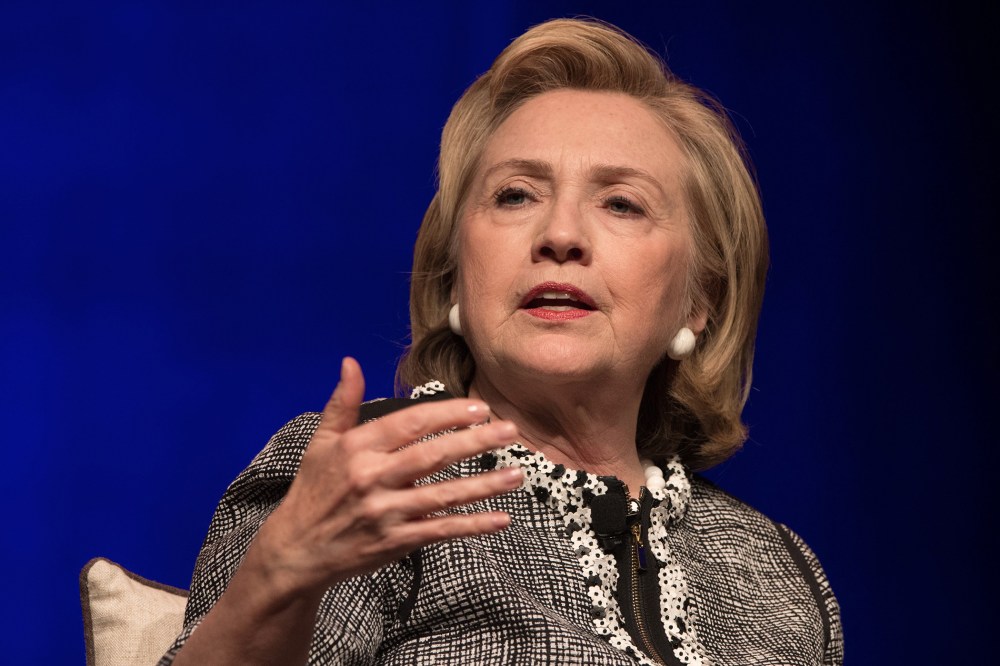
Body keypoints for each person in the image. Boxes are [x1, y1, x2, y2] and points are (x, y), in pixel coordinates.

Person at [162, 18, 842, 666]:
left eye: (621, 204)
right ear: (458, 270)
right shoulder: (374, 477)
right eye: (516, 195)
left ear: (700, 301)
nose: (560, 234)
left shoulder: (774, 566)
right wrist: (278, 579)